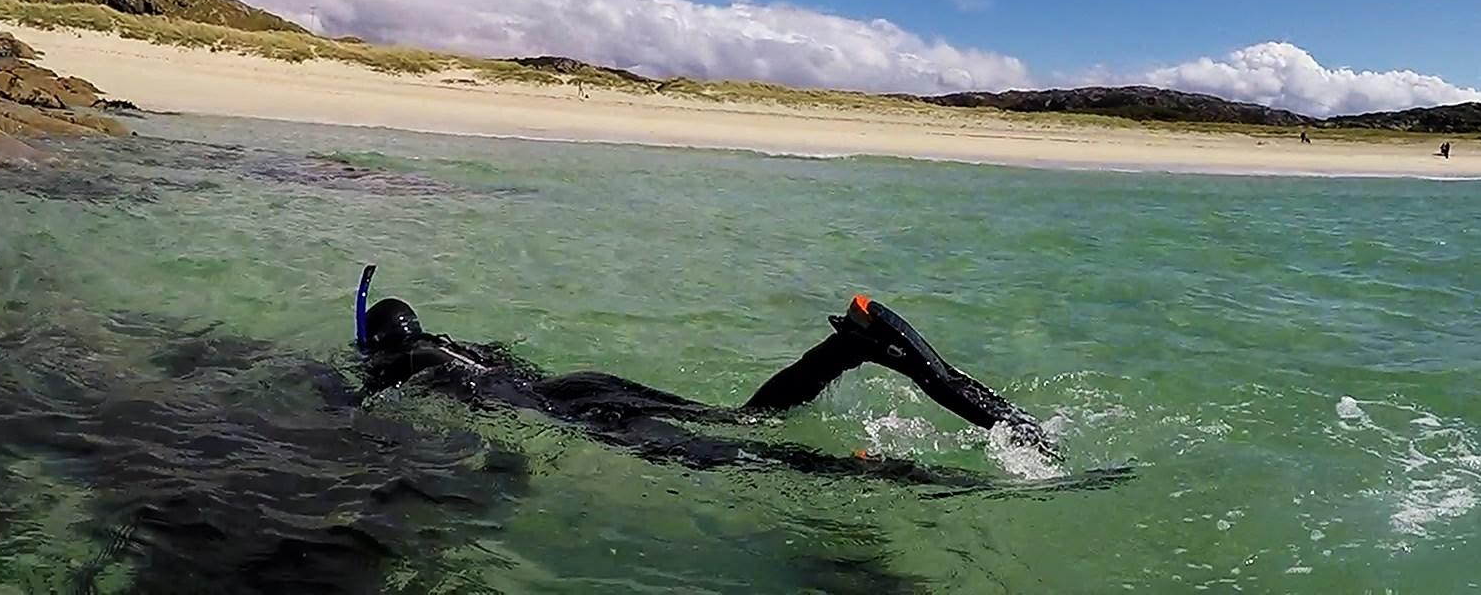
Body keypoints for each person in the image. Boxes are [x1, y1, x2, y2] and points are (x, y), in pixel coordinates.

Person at [353, 266, 1055, 482]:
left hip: (578, 412)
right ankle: (846, 348)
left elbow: (380, 391)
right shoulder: (462, 343)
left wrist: (353, 391)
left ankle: (876, 472)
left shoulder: (408, 358)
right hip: (581, 384)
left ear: (382, 340)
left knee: (729, 452)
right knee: (737, 419)